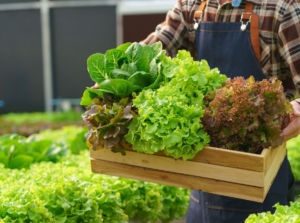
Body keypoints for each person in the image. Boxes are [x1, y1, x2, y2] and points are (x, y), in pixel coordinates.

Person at [139, 0, 299, 222]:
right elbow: (157, 47)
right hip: (202, 183)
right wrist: (118, 76)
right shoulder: (191, 5)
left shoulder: (282, 8)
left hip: (261, 183)